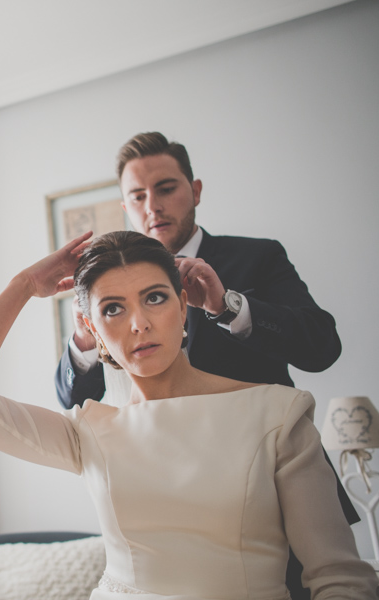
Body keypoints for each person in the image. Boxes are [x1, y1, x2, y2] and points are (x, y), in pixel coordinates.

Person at [0, 230, 377, 600]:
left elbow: (338, 579)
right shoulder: (90, 430)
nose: (139, 323)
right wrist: (24, 285)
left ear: (185, 306)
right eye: (113, 309)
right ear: (92, 329)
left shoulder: (277, 415)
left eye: (155, 298)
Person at [55, 132, 342, 410]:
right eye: (138, 197)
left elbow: (323, 349)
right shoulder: (107, 291)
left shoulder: (259, 257)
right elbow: (73, 403)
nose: (153, 206)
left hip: (270, 445)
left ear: (195, 191)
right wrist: (84, 338)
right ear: (125, 208)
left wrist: (226, 307)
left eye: (166, 189)